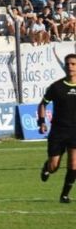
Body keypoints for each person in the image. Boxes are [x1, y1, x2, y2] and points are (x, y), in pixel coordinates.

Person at [38, 54, 76, 203]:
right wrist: (41, 122)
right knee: (54, 166)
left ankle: (64, 195)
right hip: (58, 131)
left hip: (75, 131)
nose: (70, 67)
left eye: (73, 64)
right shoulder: (56, 87)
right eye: (67, 64)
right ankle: (47, 167)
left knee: (73, 164)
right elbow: (43, 104)